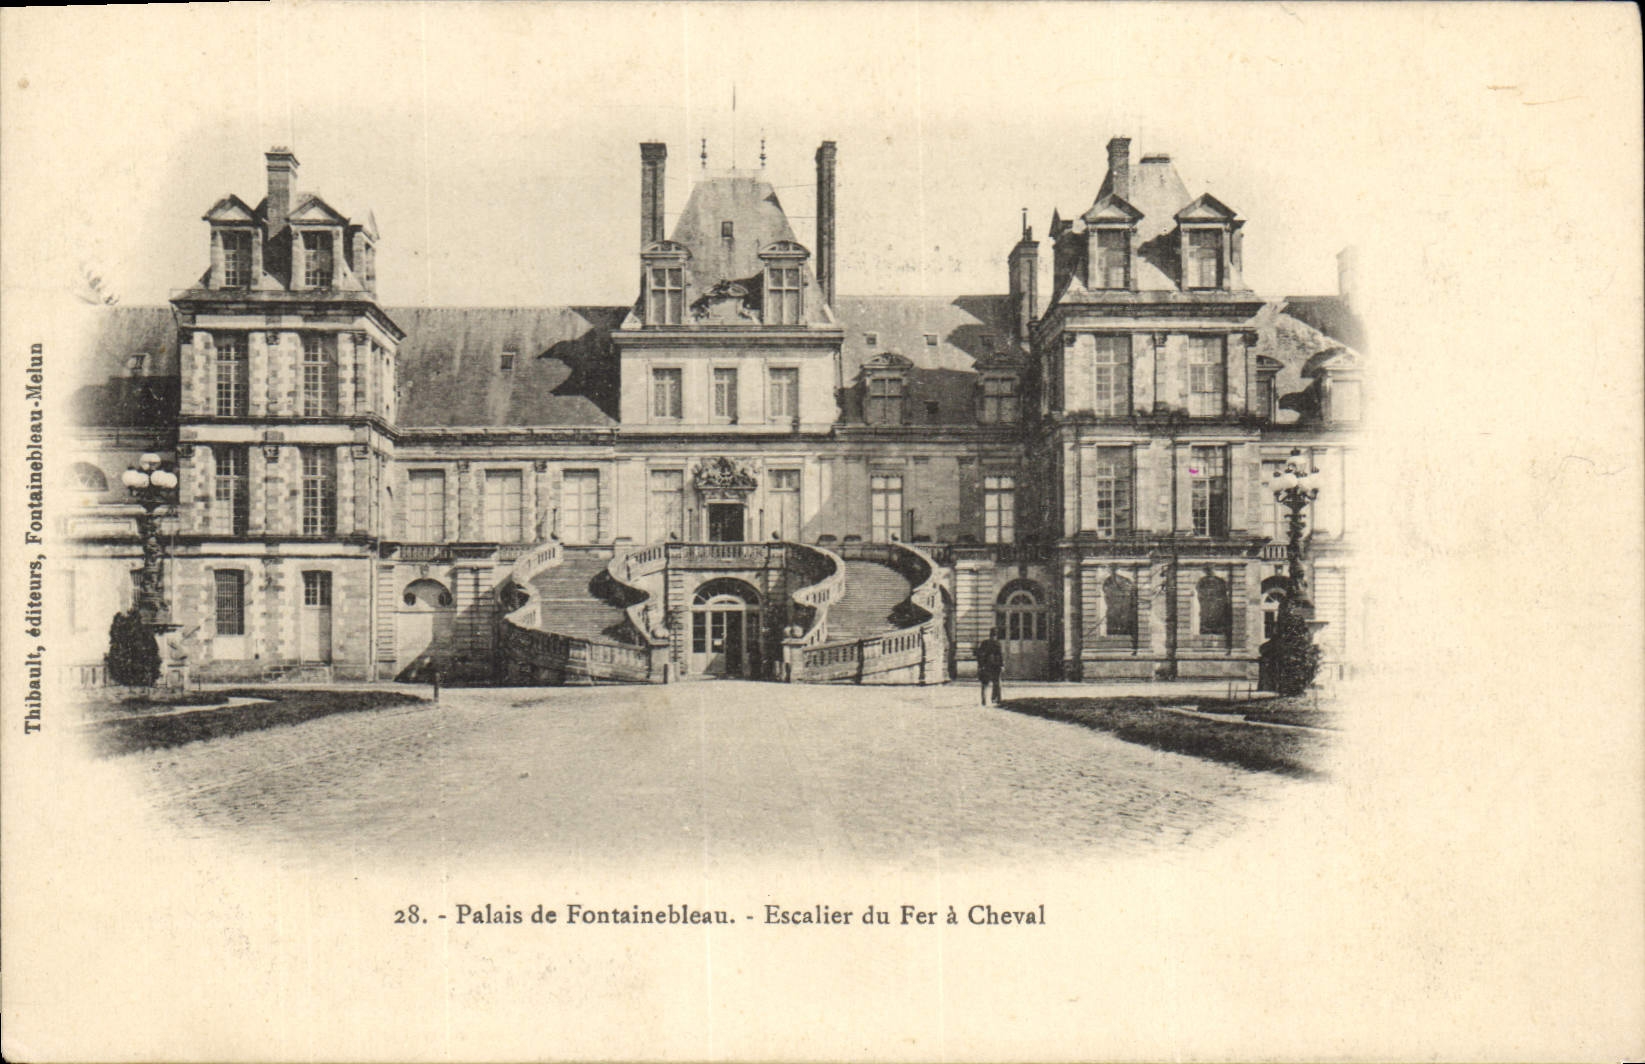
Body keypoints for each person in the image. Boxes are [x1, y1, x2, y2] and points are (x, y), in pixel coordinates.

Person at [975, 628, 1004, 706]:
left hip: (990, 666)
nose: (994, 637)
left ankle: (990, 700)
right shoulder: (996, 644)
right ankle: (994, 699)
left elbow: (979, 655)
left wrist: (980, 666)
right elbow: (1000, 656)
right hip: (992, 666)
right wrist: (1001, 665)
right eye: (993, 635)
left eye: (994, 635)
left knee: (989, 684)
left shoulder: (985, 643)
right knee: (994, 684)